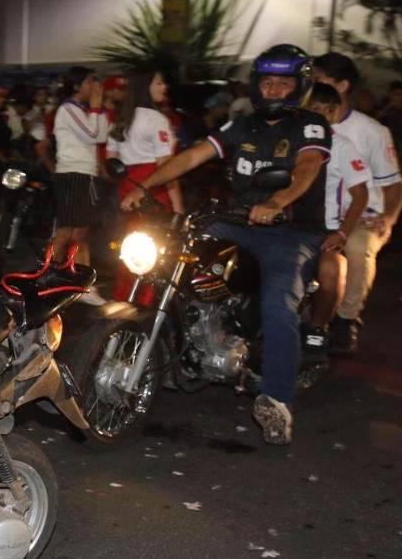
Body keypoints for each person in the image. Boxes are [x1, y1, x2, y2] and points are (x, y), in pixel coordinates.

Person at [122, 44, 332, 444]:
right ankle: (189, 344)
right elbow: (193, 155)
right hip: (235, 221)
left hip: (290, 229)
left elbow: (306, 169)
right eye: (266, 82)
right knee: (170, 256)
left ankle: (277, 400)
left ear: (299, 87)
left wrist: (277, 202)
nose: (272, 90)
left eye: (282, 83)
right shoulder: (242, 125)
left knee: (278, 305)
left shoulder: (310, 125)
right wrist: (143, 187)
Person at [310, 53, 401, 356]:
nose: (311, 86)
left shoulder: (373, 132)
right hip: (317, 214)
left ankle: (347, 319)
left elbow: (391, 183)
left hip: (363, 215)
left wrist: (388, 217)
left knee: (359, 249)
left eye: (319, 81)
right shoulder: (303, 124)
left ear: (343, 85)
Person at [300, 82, 370, 362]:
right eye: (311, 109)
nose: (317, 115)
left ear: (333, 113)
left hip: (323, 230)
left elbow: (360, 195)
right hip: (286, 226)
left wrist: (342, 233)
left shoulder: (342, 146)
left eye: (324, 111)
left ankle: (318, 326)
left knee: (332, 269)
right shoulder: (289, 140)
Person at [106, 70, 182, 304]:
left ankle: (123, 297)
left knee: (130, 247)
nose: (164, 87)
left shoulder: (122, 119)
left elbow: (110, 159)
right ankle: (144, 304)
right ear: (145, 87)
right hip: (153, 190)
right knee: (154, 250)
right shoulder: (156, 119)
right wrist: (178, 206)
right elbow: (167, 168)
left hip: (127, 188)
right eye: (159, 82)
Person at [50, 66, 108, 304]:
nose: (94, 87)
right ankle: (50, 277)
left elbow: (101, 135)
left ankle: (78, 283)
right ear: (77, 86)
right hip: (72, 173)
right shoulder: (69, 108)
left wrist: (98, 106)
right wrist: (96, 106)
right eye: (89, 82)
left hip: (83, 174)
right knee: (68, 231)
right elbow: (93, 135)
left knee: (80, 232)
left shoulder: (85, 110)